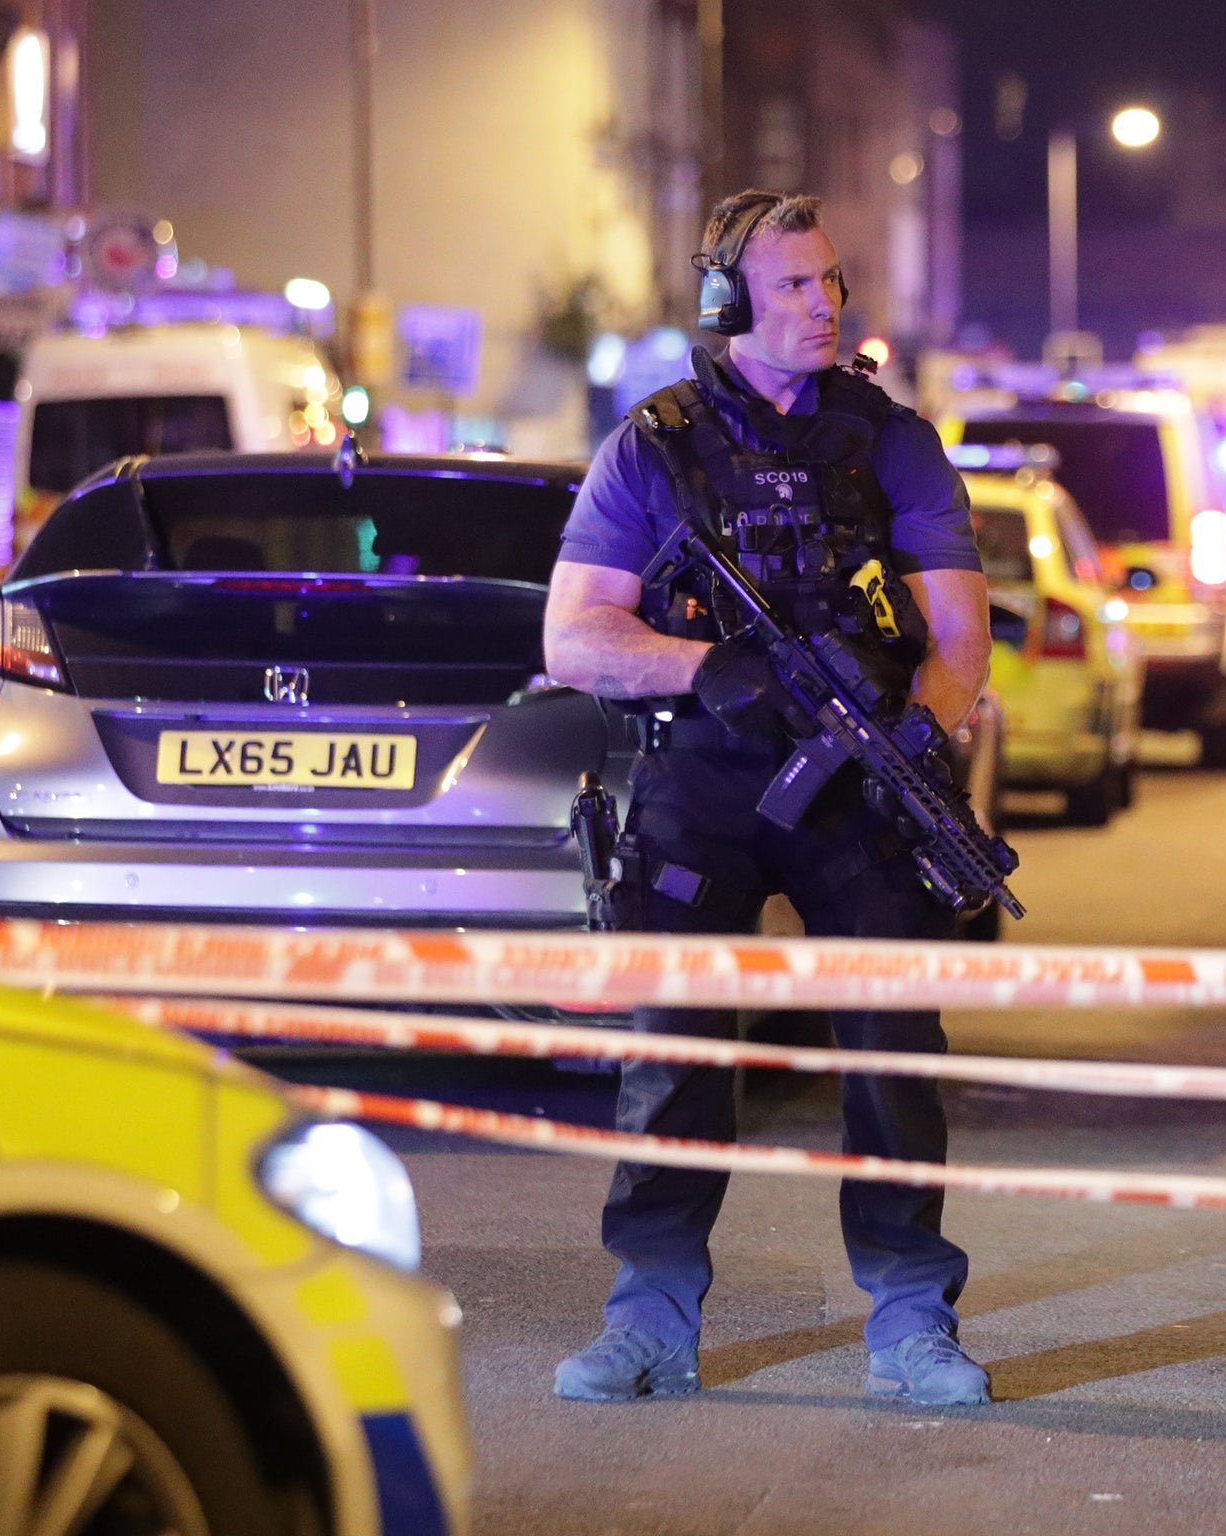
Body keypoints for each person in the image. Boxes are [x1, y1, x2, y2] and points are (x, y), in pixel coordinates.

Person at [542, 189, 995, 1407]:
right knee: (675, 1050)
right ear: (730, 302)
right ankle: (648, 1319)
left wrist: (914, 731)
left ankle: (910, 1322)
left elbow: (958, 636)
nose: (824, 306)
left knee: (891, 1050)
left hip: (858, 783)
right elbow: (574, 637)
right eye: (795, 286)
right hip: (705, 770)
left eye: (831, 282)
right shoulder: (655, 442)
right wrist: (706, 668)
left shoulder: (890, 439)